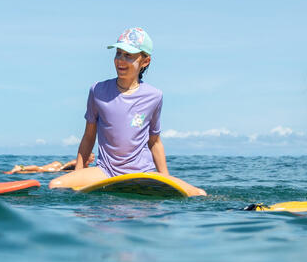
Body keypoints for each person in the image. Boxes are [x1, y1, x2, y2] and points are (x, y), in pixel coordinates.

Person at [49, 27, 205, 196]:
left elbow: (155, 142)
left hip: (143, 173)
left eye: (128, 56)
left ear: (145, 61)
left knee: (198, 193)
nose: (120, 60)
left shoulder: (154, 96)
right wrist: (78, 172)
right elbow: (88, 136)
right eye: (118, 53)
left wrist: (164, 178)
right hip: (106, 171)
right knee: (55, 184)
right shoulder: (98, 91)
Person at [4, 153, 94, 174]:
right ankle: (20, 167)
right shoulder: (80, 162)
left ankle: (19, 170)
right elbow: (70, 163)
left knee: (38, 171)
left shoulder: (86, 165)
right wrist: (61, 169)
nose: (94, 158)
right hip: (58, 166)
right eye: (93, 157)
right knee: (40, 169)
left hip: (58, 167)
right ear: (88, 157)